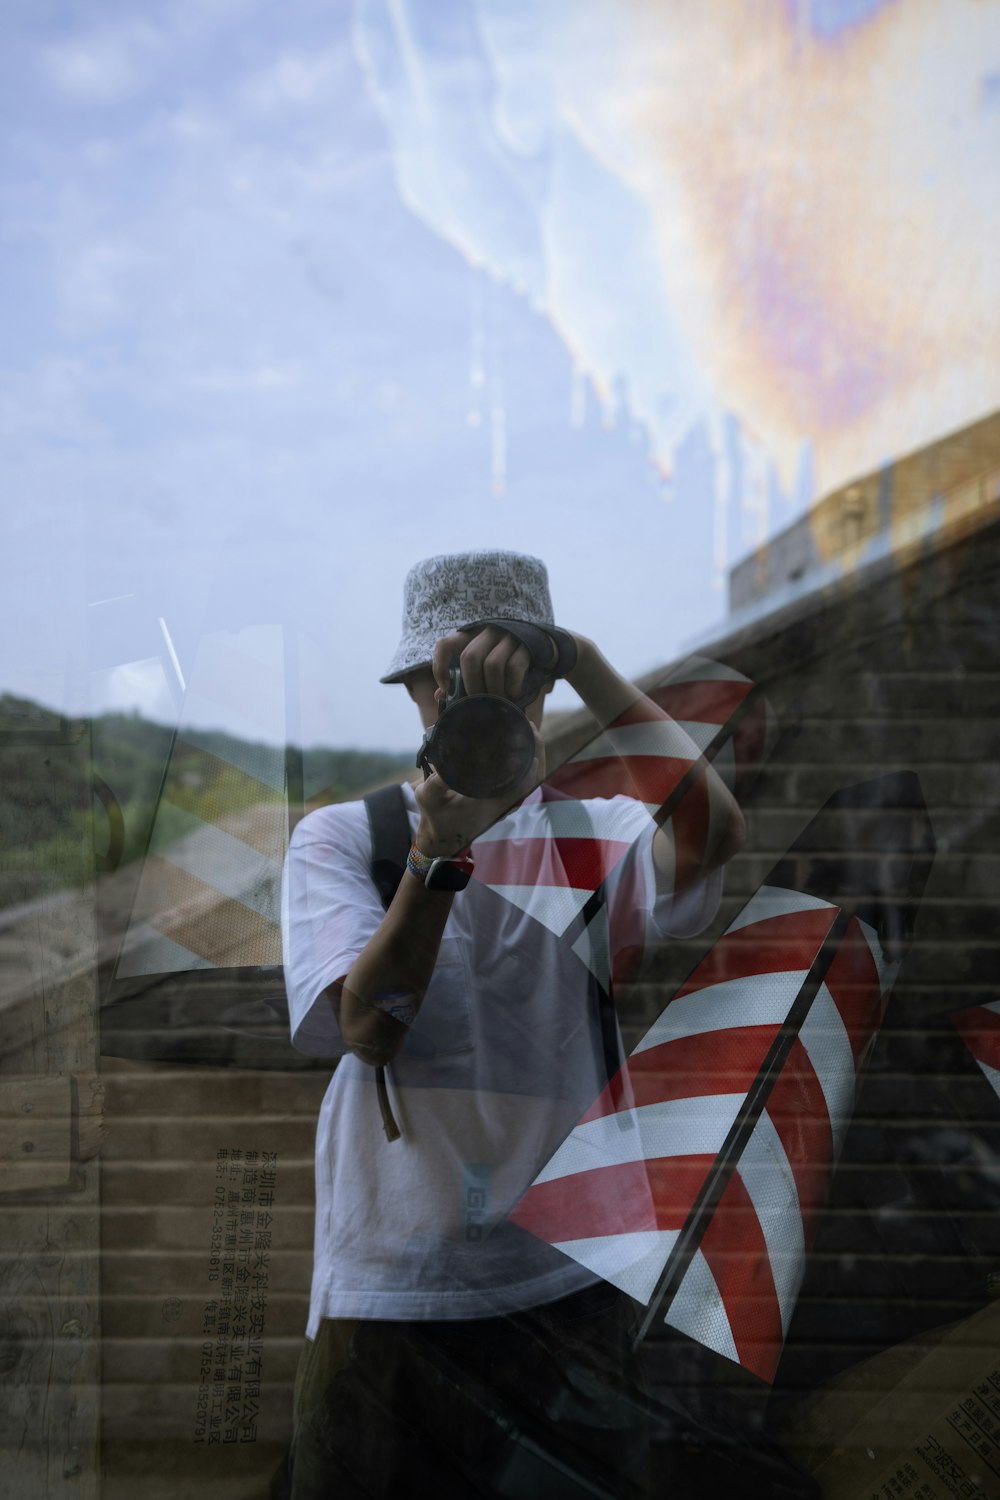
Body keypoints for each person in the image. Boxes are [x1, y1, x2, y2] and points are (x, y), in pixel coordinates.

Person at [278, 551, 745, 1499]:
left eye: (515, 684)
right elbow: (367, 1028)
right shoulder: (350, 839)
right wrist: (435, 854)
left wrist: (587, 663)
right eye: (451, 687)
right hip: (396, 1286)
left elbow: (713, 832)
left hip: (567, 1286)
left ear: (545, 693)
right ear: (414, 691)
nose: (480, 708)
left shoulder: (592, 832)